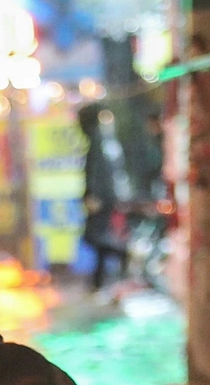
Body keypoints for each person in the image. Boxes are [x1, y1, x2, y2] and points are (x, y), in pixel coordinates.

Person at [80, 104, 131, 291]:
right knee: (101, 241)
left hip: (105, 201)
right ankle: (101, 280)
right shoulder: (102, 140)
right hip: (106, 200)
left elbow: (99, 171)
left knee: (102, 240)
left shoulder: (102, 140)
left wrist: (94, 195)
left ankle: (104, 279)